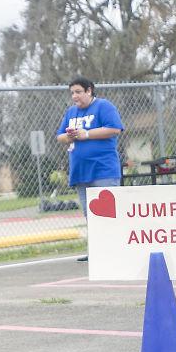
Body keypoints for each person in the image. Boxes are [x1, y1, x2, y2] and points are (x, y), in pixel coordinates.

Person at [56, 77, 124, 262]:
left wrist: (86, 134)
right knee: (90, 214)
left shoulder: (104, 106)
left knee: (108, 213)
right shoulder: (71, 112)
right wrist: (70, 137)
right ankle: (98, 250)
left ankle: (116, 250)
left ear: (89, 91)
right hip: (80, 171)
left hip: (103, 169)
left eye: (78, 91)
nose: (75, 96)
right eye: (72, 93)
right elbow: (60, 136)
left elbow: (114, 128)